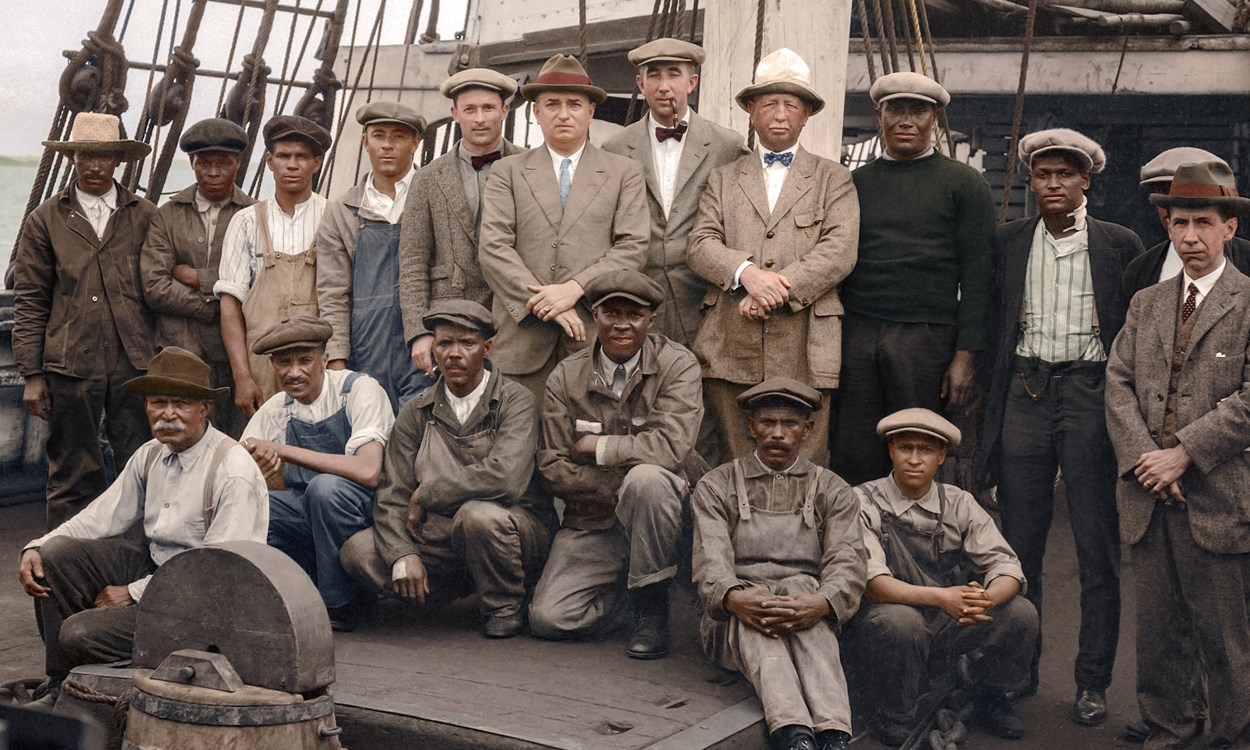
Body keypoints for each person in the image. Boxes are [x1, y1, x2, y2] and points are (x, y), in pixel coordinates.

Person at [978, 129, 1143, 724]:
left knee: (1098, 548)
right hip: (1026, 389)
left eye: (1063, 175)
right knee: (1020, 545)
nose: (1051, 184)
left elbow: (1137, 330)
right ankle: (1018, 672)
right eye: (1041, 174)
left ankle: (1092, 682)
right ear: (1030, 180)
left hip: (1091, 392)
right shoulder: (1009, 241)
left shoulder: (1120, 244)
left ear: (1086, 181)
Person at [16, 346, 268, 704]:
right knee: (54, 556)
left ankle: (120, 675)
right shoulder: (151, 453)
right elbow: (101, 515)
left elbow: (217, 571)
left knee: (76, 634)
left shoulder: (233, 469)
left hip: (207, 599)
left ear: (204, 408)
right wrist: (38, 544)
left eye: (181, 403)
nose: (167, 415)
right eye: (157, 402)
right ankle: (61, 684)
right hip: (158, 566)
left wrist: (133, 592)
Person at [1105, 160, 1250, 749]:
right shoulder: (1147, 303)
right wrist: (1147, 459)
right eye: (1179, 222)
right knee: (1158, 634)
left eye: (1203, 223)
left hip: (1217, 496)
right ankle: (1169, 732)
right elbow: (1116, 383)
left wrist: (1184, 453)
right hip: (1148, 496)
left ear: (1229, 230)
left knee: (1223, 635)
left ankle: (1231, 737)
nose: (1189, 236)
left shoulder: (1247, 302)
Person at [340, 300, 557, 638]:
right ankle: (439, 591)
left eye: (467, 343)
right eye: (444, 343)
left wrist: (428, 493)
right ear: (434, 350)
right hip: (442, 535)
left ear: (486, 349)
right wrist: (403, 554)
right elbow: (391, 492)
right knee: (359, 550)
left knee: (477, 516)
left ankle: (504, 604)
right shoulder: (417, 410)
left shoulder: (516, 400)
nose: (455, 354)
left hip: (514, 528)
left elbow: (507, 478)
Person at [687, 48, 858, 464]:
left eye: (791, 105)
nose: (780, 115)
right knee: (733, 459)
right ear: (751, 111)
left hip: (804, 345)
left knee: (804, 461)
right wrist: (746, 274)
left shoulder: (833, 178)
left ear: (806, 115)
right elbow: (700, 243)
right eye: (769, 104)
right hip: (731, 342)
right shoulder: (724, 178)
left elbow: (839, 251)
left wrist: (774, 288)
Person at [832, 72, 996, 486]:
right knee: (855, 450)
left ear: (935, 118)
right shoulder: (854, 183)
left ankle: (917, 545)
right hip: (858, 332)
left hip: (926, 339)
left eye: (918, 111)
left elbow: (980, 274)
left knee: (916, 450)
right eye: (895, 110)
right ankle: (858, 545)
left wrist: (966, 354)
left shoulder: (964, 184)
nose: (906, 120)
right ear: (879, 116)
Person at [529, 270, 702, 659]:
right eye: (611, 313)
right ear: (594, 315)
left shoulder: (678, 365)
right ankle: (626, 600)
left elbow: (671, 448)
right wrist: (619, 489)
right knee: (550, 618)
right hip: (594, 520)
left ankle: (651, 610)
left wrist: (598, 447)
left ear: (651, 320)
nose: (622, 324)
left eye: (634, 314)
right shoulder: (566, 375)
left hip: (667, 519)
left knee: (648, 481)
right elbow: (553, 466)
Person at [844, 408, 1037, 746]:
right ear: (890, 449)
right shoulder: (862, 501)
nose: (915, 460)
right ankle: (895, 710)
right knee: (899, 622)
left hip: (946, 621)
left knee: (1020, 612)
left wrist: (984, 599)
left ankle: (991, 693)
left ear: (942, 455)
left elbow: (1007, 566)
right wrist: (944, 598)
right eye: (905, 448)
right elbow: (875, 586)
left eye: (926, 450)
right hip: (886, 621)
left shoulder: (959, 502)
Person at [691, 377, 863, 750]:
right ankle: (793, 733)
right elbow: (710, 562)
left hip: (805, 613)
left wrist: (824, 602)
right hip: (734, 619)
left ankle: (834, 734)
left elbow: (847, 562)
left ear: (808, 429)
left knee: (804, 591)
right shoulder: (716, 485)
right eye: (768, 422)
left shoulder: (833, 490)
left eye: (790, 424)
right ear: (751, 426)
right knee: (759, 616)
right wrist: (735, 598)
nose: (778, 434)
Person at [13, 113, 157, 530]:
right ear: (73, 157)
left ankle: (134, 566)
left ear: (118, 160)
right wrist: (32, 374)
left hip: (135, 366)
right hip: (70, 367)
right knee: (72, 474)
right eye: (85, 155)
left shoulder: (145, 214)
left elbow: (158, 290)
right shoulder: (45, 220)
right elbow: (31, 301)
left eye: (105, 156)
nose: (95, 166)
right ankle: (62, 570)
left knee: (142, 466)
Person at [478, 54, 649, 401]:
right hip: (521, 340)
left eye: (574, 104)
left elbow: (632, 247)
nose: (564, 113)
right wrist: (543, 303)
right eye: (552, 104)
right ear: (536, 113)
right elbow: (493, 248)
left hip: (592, 335)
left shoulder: (624, 172)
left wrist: (574, 289)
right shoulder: (507, 172)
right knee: (518, 444)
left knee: (587, 444)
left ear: (591, 112)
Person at [240, 315, 395, 630]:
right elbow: (236, 462)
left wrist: (282, 450)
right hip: (311, 508)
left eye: (305, 361)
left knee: (324, 490)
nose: (294, 372)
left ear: (324, 360)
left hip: (368, 507)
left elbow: (368, 471)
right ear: (272, 366)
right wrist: (253, 464)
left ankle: (345, 603)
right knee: (253, 505)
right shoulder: (277, 408)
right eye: (284, 362)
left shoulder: (357, 389)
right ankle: (293, 594)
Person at [601, 37, 749, 348]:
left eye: (674, 74)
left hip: (705, 299)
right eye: (654, 75)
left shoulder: (727, 146)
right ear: (641, 84)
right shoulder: (614, 148)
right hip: (636, 302)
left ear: (692, 82)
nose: (664, 86)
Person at [399, 69, 523, 380]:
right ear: (455, 114)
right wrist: (418, 331)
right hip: (450, 320)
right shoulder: (428, 178)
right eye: (469, 109)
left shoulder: (530, 168)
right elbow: (413, 261)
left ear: (504, 111)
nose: (479, 119)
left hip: (516, 319)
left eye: (488, 108)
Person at [141, 117, 255, 438]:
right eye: (205, 163)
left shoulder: (255, 215)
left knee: (234, 439)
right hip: (178, 351)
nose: (214, 171)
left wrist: (195, 276)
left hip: (233, 356)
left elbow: (256, 285)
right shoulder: (167, 215)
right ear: (192, 163)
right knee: (180, 438)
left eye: (224, 162)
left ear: (238, 162)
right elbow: (155, 287)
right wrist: (214, 303)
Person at [215, 115, 332, 414]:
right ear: (269, 161)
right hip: (262, 366)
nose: (292, 165)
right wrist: (242, 377)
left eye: (302, 157)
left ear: (316, 162)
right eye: (283, 156)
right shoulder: (246, 221)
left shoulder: (334, 216)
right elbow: (230, 306)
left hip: (320, 365)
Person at [317, 101, 426, 411]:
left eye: (399, 136)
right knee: (367, 439)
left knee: (418, 439)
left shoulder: (433, 196)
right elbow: (333, 292)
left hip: (422, 344)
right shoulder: (341, 213)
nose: (387, 146)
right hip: (366, 349)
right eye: (378, 136)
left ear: (415, 143)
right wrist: (337, 361)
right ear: (365, 141)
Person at [1123, 148, 1250, 296]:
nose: (1190, 237)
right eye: (1165, 193)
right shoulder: (1140, 270)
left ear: (1230, 227)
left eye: (1203, 221)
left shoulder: (1246, 260)